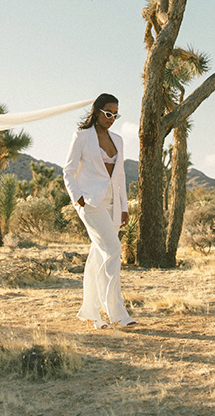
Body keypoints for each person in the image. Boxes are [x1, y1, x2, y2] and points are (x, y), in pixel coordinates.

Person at [63, 93, 137, 330]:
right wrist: (78, 198)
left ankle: (90, 313)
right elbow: (68, 170)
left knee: (98, 257)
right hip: (91, 203)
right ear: (96, 111)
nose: (111, 119)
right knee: (113, 250)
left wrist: (124, 207)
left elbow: (120, 175)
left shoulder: (118, 139)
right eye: (108, 113)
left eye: (115, 115)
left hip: (113, 204)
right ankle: (117, 313)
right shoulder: (82, 137)